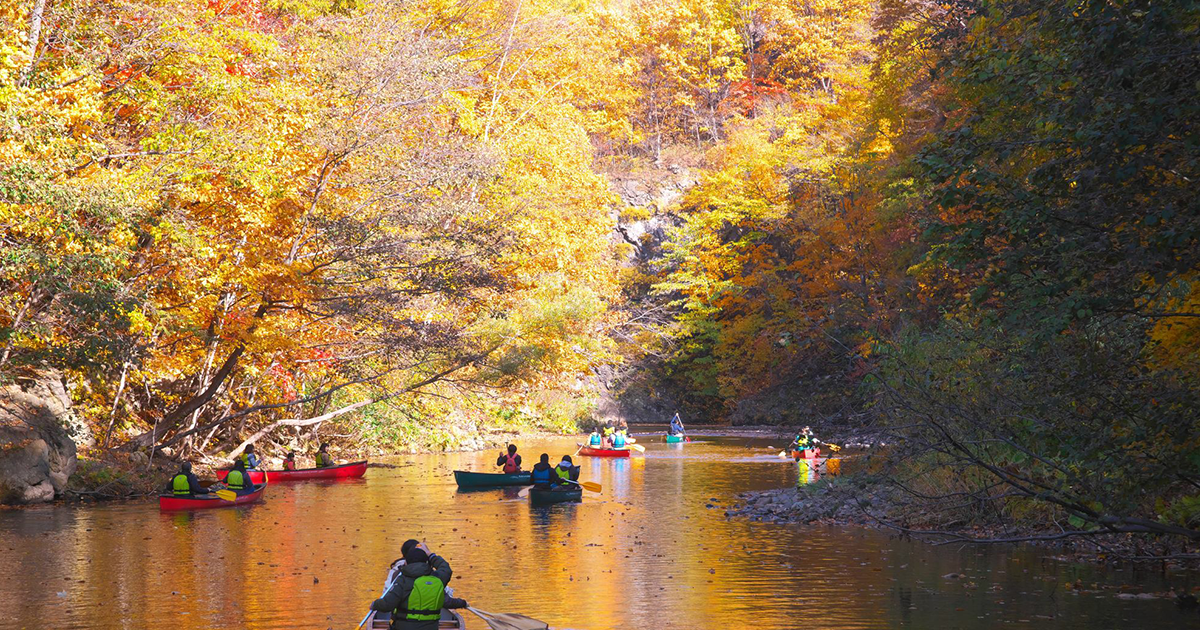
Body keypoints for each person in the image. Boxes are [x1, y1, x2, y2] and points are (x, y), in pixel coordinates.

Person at [370, 542, 467, 630]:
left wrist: (375, 604)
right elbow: (445, 569)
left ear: (406, 563)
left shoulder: (402, 580)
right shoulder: (436, 579)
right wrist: (430, 554)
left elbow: (388, 604)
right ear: (426, 562)